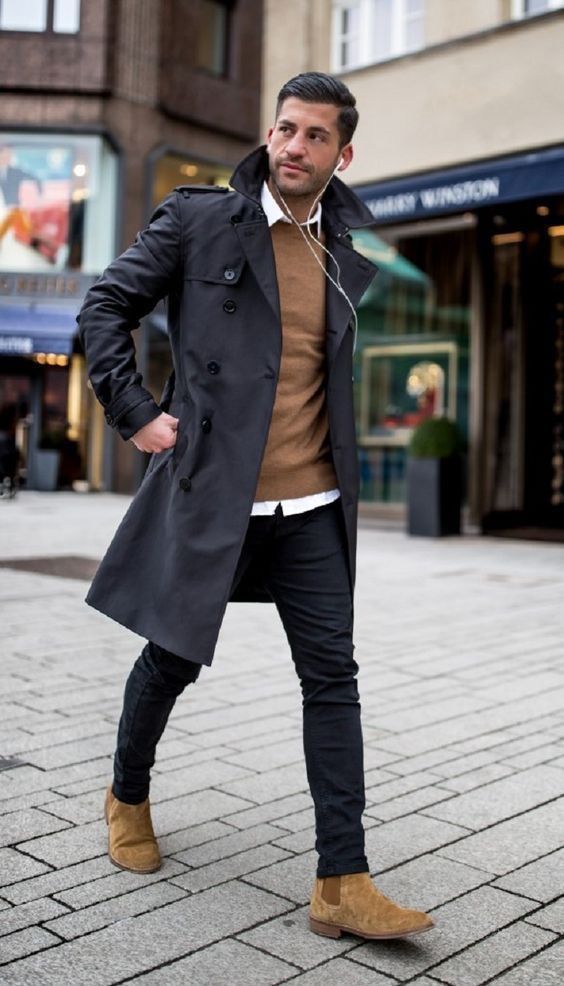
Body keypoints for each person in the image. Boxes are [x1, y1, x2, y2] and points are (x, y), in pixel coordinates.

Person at [78, 72, 435, 941]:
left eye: (315, 135)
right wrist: (135, 413)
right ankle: (127, 793)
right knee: (171, 658)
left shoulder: (344, 251)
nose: (294, 147)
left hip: (313, 503)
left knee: (333, 678)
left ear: (343, 153)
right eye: (285, 129)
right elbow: (105, 305)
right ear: (268, 134)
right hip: (217, 494)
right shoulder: (201, 221)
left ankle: (341, 879)